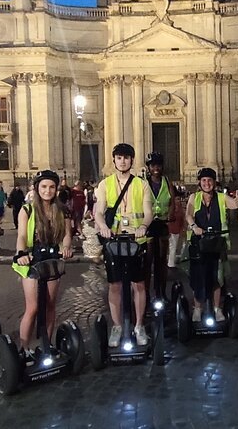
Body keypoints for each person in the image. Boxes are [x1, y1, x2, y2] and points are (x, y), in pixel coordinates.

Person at [95, 143, 153, 347]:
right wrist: (102, 226)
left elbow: (148, 211)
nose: (123, 161)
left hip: (137, 240)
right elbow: (99, 210)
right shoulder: (105, 185)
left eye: (126, 158)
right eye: (119, 158)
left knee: (139, 284)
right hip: (114, 240)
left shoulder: (141, 184)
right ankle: (117, 325)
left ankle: (139, 326)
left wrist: (144, 225)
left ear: (132, 160)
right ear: (114, 160)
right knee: (115, 285)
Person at [12, 170, 72, 361]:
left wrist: (68, 248)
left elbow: (67, 235)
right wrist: (21, 253)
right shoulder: (27, 209)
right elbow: (21, 236)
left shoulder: (62, 210)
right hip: (31, 262)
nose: (48, 191)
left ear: (56, 189)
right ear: (37, 188)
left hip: (53, 261)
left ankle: (47, 344)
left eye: (52, 187)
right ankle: (24, 348)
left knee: (50, 306)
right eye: (44, 187)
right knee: (33, 307)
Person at [186, 167, 238, 322]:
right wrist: (194, 227)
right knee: (199, 276)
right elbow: (189, 215)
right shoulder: (194, 197)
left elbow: (235, 205)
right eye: (203, 180)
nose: (207, 183)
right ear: (199, 183)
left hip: (217, 243)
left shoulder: (221, 197)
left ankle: (217, 309)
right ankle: (198, 308)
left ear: (214, 182)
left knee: (217, 277)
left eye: (209, 180)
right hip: (199, 243)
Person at [143, 152, 175, 302]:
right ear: (149, 168)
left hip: (162, 224)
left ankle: (161, 292)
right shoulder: (142, 183)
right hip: (148, 225)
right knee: (147, 261)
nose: (156, 168)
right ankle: (146, 294)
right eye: (153, 165)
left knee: (162, 261)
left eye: (158, 165)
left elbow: (172, 201)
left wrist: (171, 214)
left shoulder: (167, 181)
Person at [167, 189, 186, 268]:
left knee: (174, 247)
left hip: (176, 230)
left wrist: (183, 229)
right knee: (172, 247)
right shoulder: (170, 208)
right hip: (170, 230)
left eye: (179, 199)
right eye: (177, 199)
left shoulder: (180, 209)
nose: (178, 201)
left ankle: (171, 262)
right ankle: (170, 264)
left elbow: (183, 220)